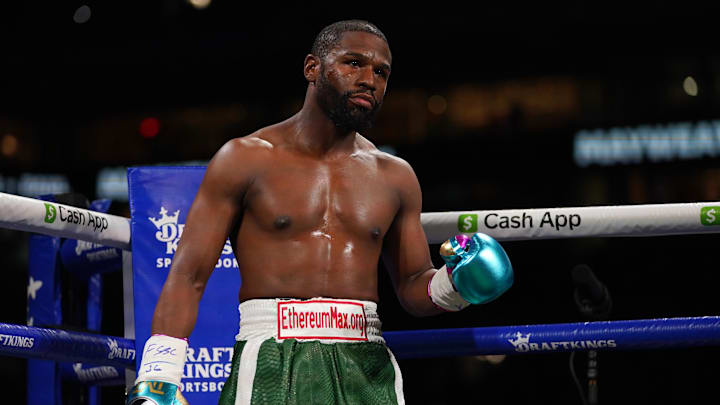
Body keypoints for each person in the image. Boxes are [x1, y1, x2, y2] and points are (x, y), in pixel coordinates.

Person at [126, 19, 513, 405]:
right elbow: (189, 274)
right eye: (353, 64)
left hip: (367, 363)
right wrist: (159, 377)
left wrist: (457, 285)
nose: (369, 80)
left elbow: (412, 286)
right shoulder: (244, 158)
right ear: (312, 68)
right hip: (271, 359)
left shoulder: (396, 177)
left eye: (381, 72)